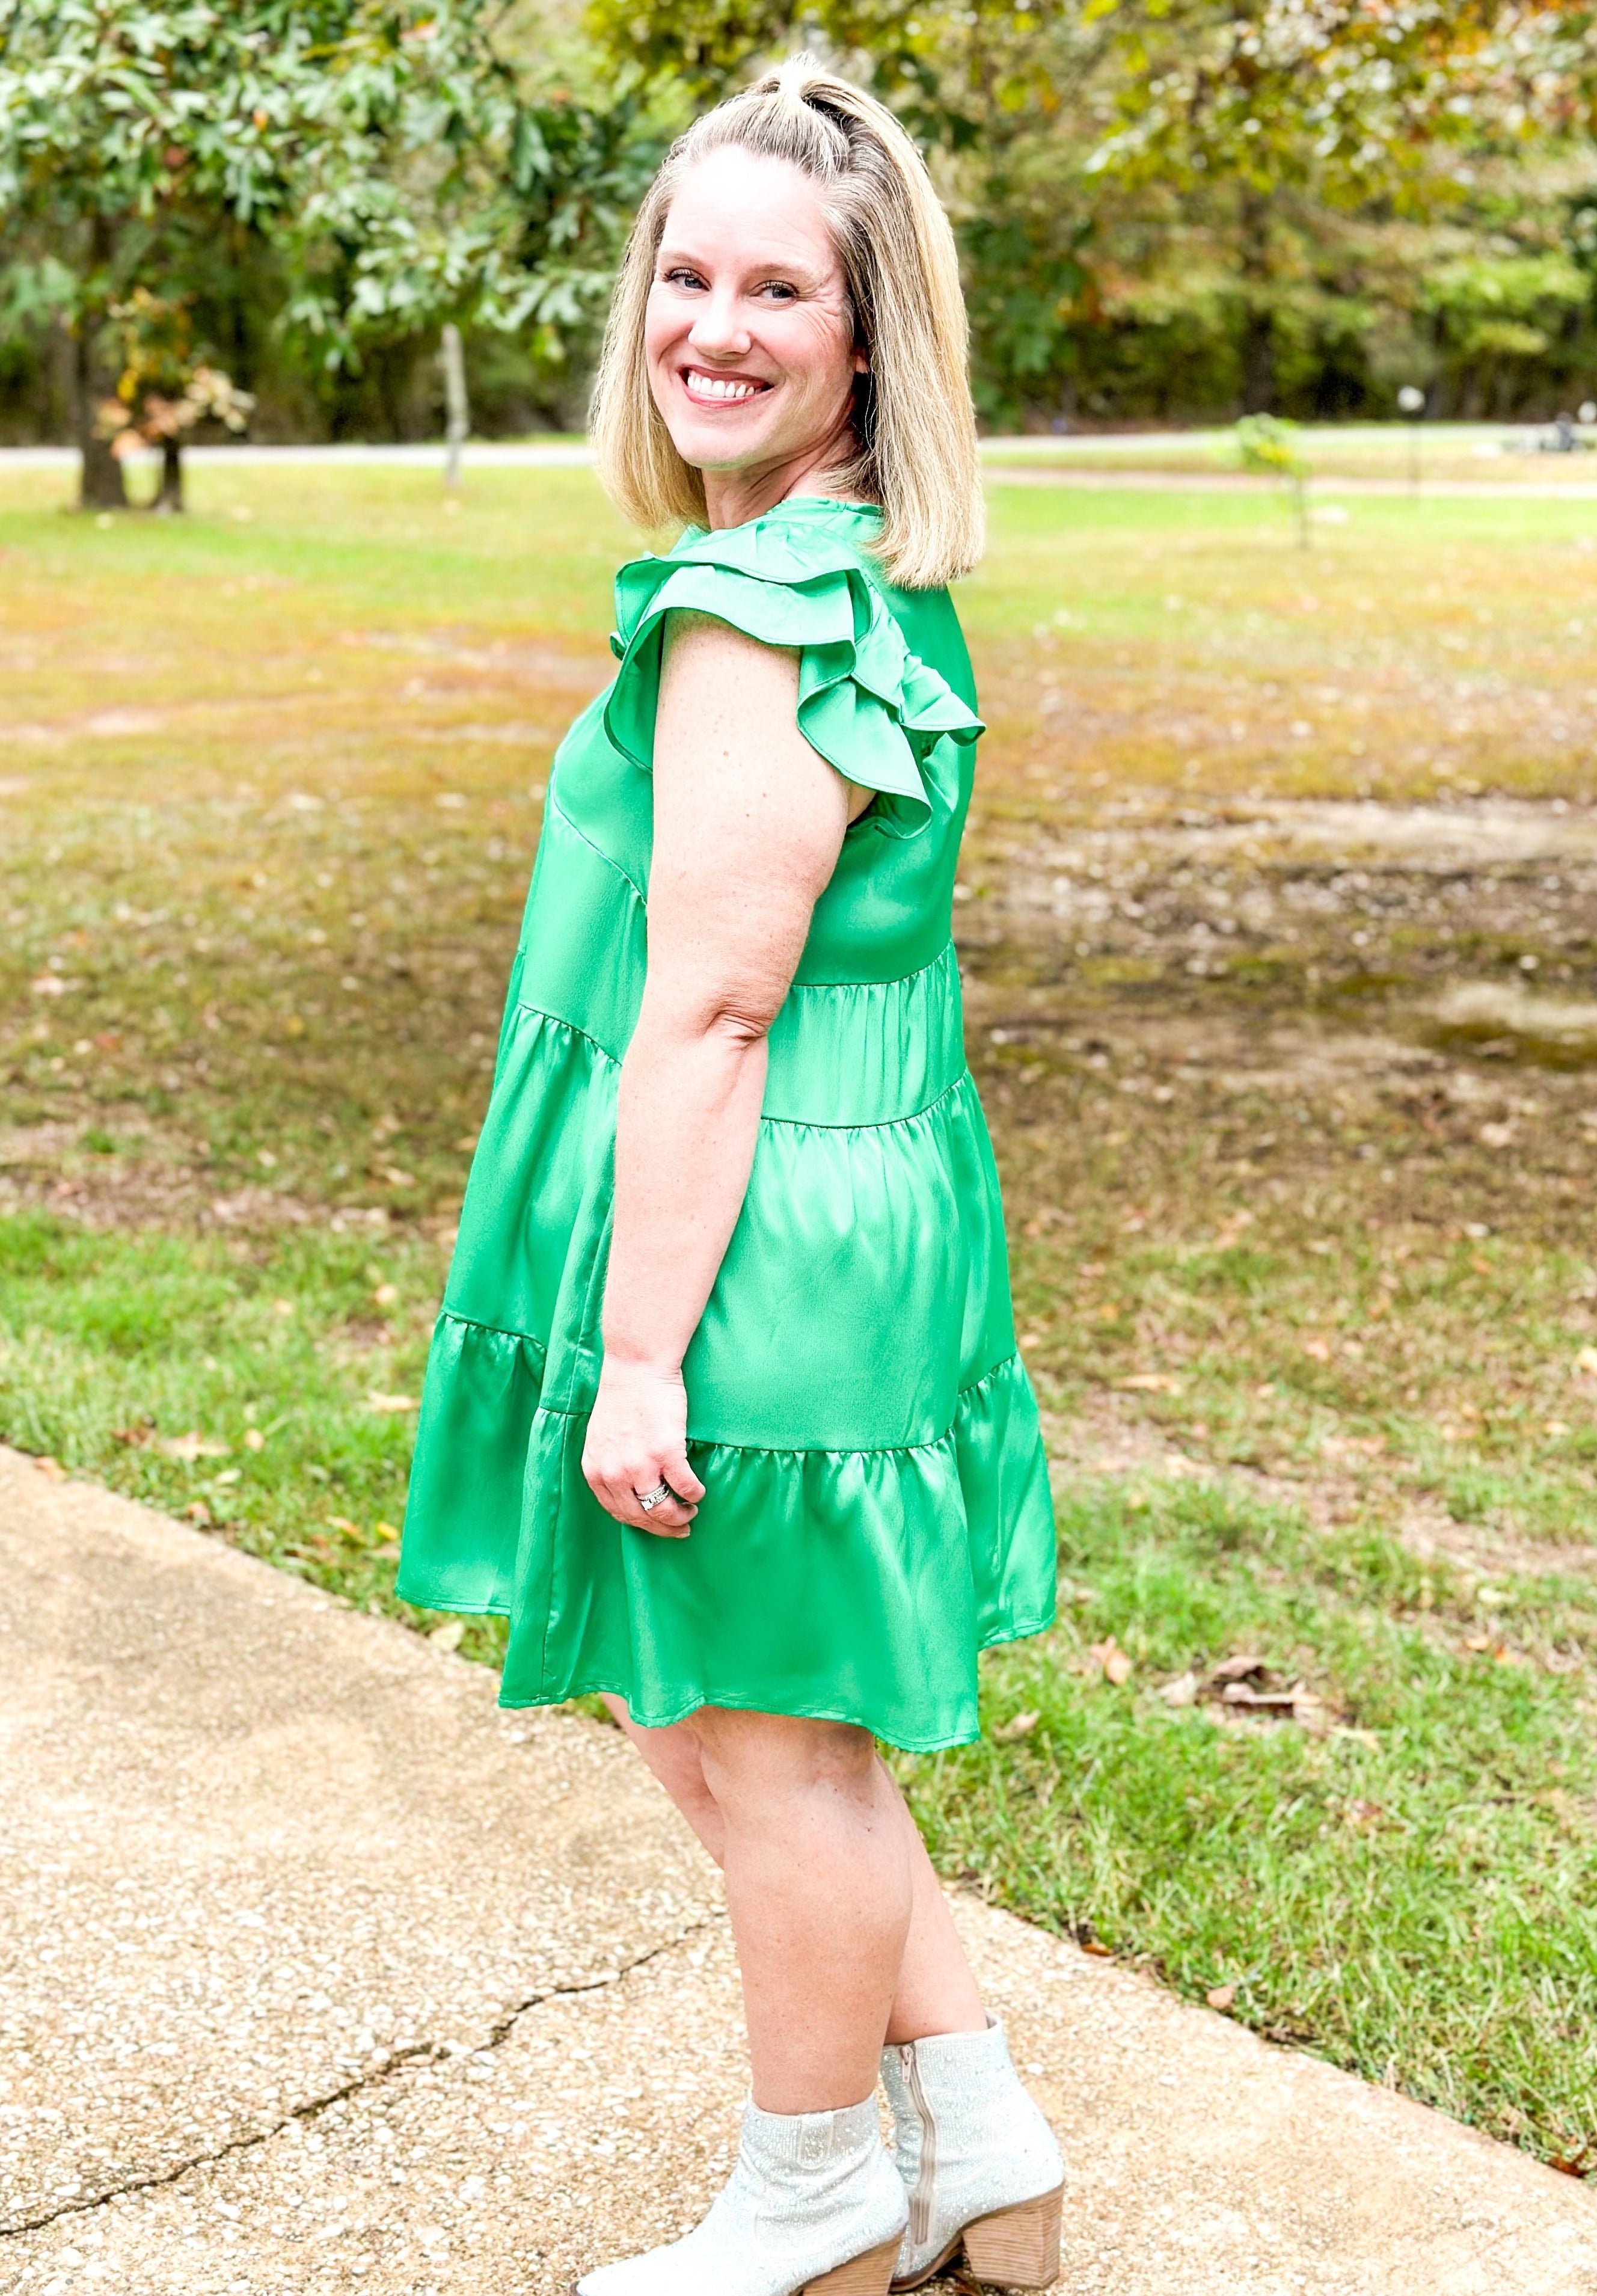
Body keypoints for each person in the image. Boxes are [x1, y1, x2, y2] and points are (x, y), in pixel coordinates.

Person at [396, 57, 1063, 2296]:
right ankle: (974, 2138)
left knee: (744, 1756)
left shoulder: (755, 608)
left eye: (779, 284)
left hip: (754, 1239)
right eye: (686, 271)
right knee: (785, 1734)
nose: (713, 321)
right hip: (855, 1215)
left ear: (871, 334)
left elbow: (707, 1014)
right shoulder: (850, 568)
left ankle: (811, 2205)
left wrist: (641, 1355)